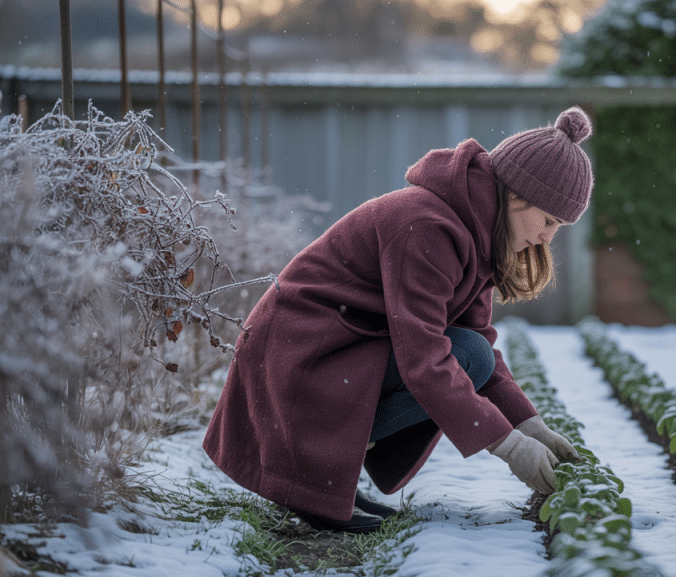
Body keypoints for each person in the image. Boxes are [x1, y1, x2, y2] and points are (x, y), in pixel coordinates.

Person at [202, 106, 593, 533]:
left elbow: (477, 340)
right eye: (549, 220)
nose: (548, 237)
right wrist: (508, 446)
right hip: (296, 359)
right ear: (516, 196)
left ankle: (327, 477)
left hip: (335, 353)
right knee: (462, 357)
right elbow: (423, 358)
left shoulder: (477, 234)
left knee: (474, 353)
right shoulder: (427, 226)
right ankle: (311, 473)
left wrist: (530, 425)